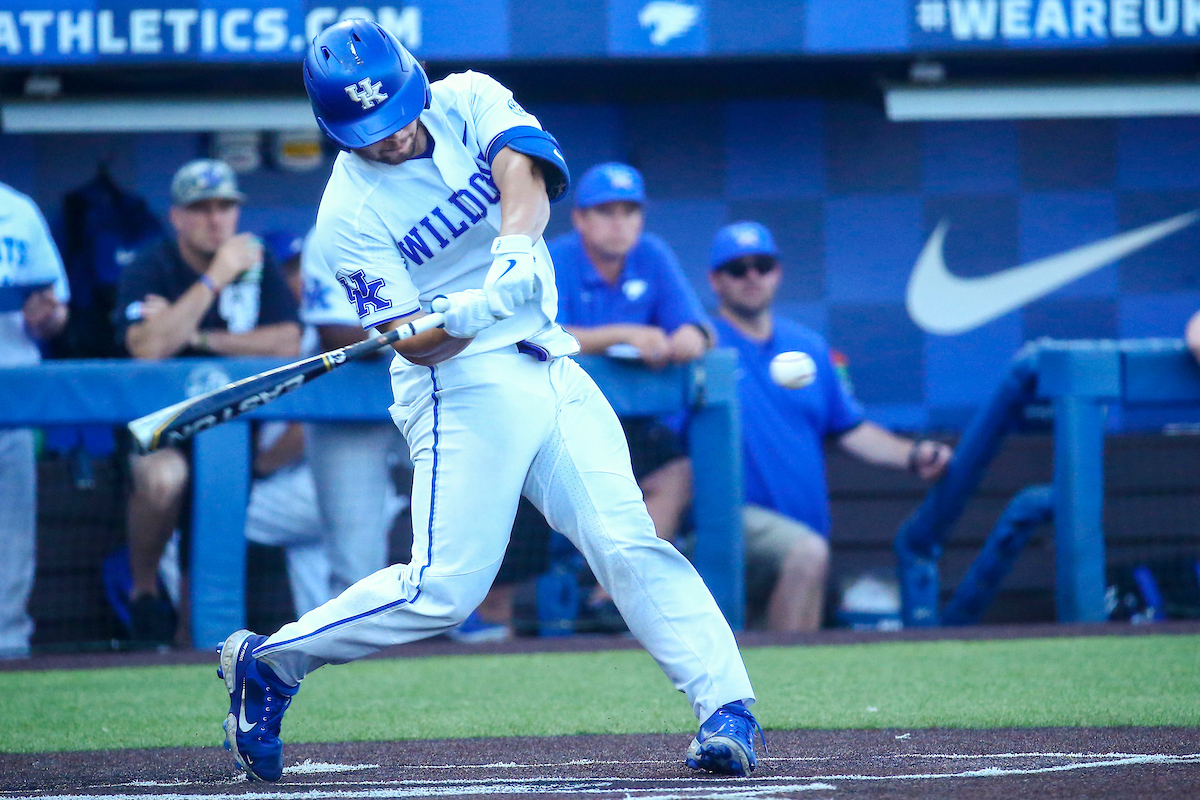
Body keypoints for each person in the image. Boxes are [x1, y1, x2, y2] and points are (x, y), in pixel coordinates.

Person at [215, 20, 761, 783]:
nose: (394, 136)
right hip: (458, 387)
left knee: (627, 539)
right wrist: (465, 314)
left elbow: (524, 171)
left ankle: (726, 708)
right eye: (370, 131)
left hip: (553, 365)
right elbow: (413, 343)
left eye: (399, 113)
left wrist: (509, 251)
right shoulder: (347, 218)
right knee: (443, 590)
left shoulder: (468, 96)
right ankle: (271, 664)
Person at [708, 221, 953, 633]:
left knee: (804, 573)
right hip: (725, 529)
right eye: (737, 268)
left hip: (806, 535)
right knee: (804, 559)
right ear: (715, 280)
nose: (752, 276)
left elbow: (851, 430)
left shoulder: (809, 347)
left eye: (762, 265)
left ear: (777, 273)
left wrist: (913, 455)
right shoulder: (703, 342)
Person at [115, 159, 301, 645]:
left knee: (203, 603)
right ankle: (143, 589)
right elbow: (148, 345)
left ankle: (185, 653)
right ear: (177, 216)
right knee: (164, 480)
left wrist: (193, 333)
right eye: (200, 208)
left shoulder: (256, 262)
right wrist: (214, 279)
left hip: (233, 435)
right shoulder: (150, 264)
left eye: (225, 207)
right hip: (159, 428)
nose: (215, 219)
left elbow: (287, 341)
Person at [547, 163, 711, 626]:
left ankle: (613, 599)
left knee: (676, 471)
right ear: (580, 218)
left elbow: (696, 326)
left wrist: (691, 336)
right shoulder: (555, 256)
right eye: (606, 212)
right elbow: (539, 331)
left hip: (631, 422)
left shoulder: (652, 255)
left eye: (629, 211)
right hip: (558, 419)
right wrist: (624, 332)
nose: (620, 223)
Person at [297, 230, 410, 599]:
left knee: (475, 522)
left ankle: (480, 632)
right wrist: (415, 328)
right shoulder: (333, 229)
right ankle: (357, 651)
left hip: (439, 390)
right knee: (355, 564)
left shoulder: (454, 213)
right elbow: (336, 335)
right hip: (351, 406)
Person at [0, 182, 69, 658]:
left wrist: (45, 315)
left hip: (13, 392)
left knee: (12, 537)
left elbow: (56, 310)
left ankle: (8, 646)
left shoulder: (17, 210)